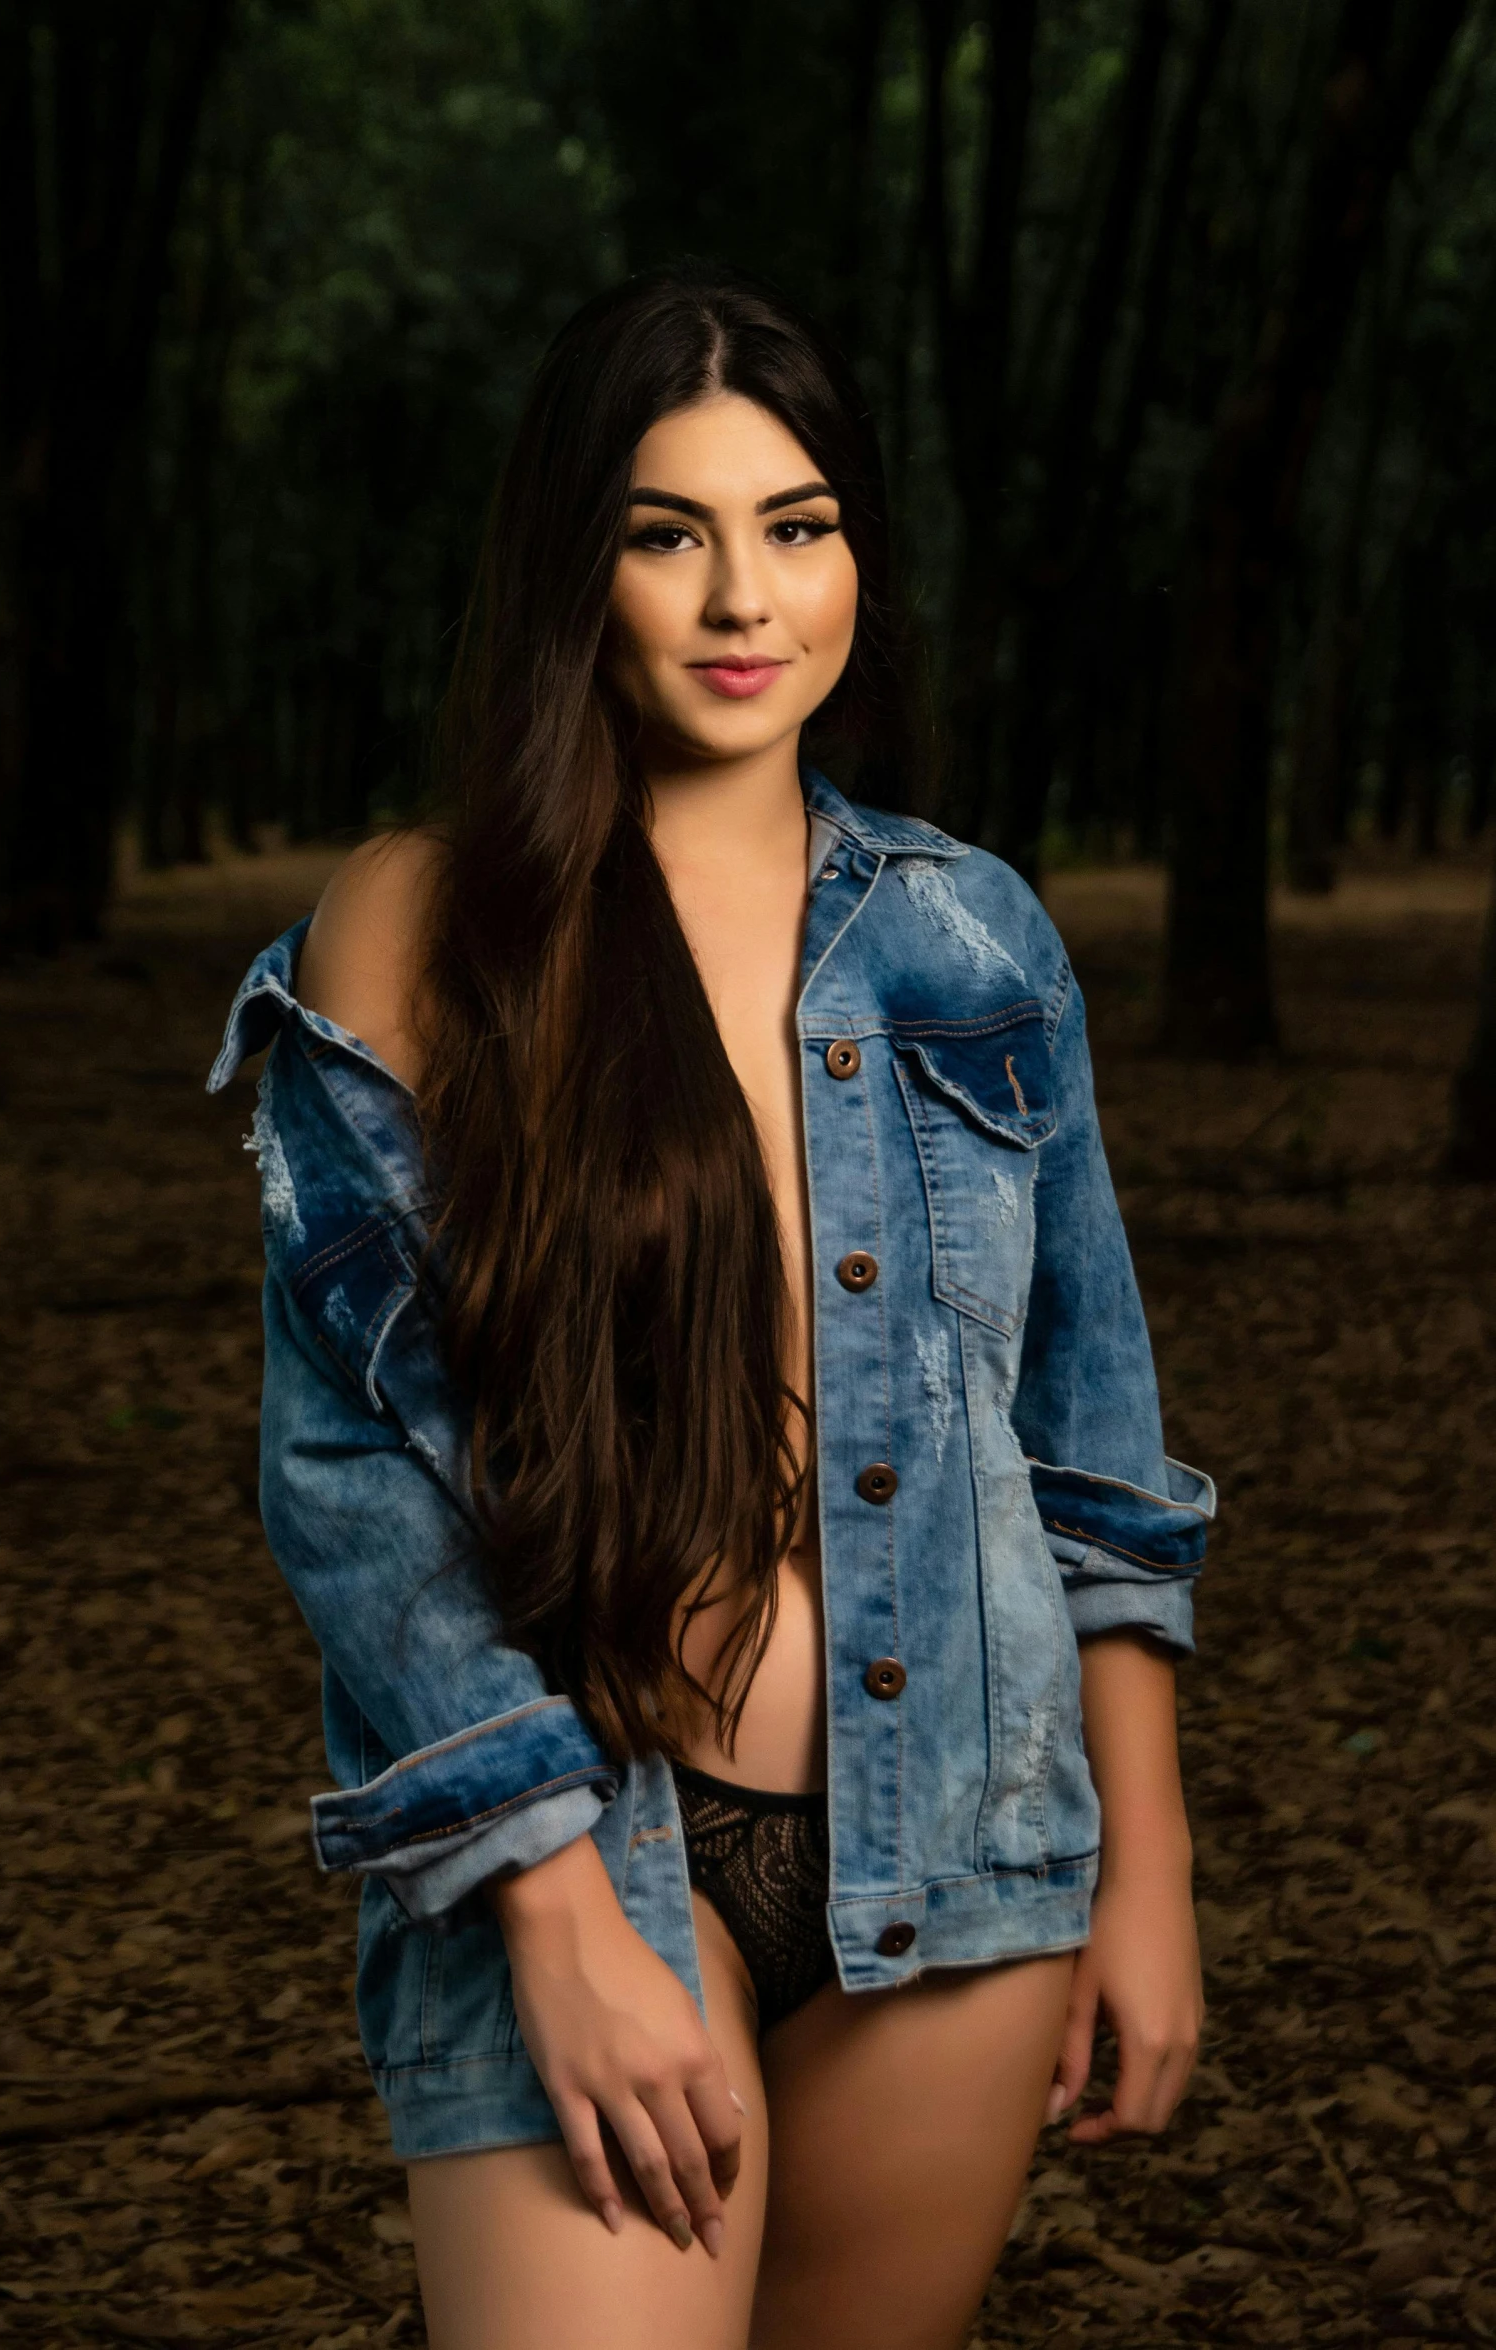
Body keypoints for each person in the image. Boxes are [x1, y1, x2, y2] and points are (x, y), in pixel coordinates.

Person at [209, 266, 1213, 2350]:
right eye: (671, 532)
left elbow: (1093, 1458)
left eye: (799, 524)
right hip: (595, 1847)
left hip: (962, 1847)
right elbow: (349, 1475)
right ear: (579, 566)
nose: (744, 595)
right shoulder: (427, 922)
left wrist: (1148, 1875)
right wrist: (554, 1906)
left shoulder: (971, 928)